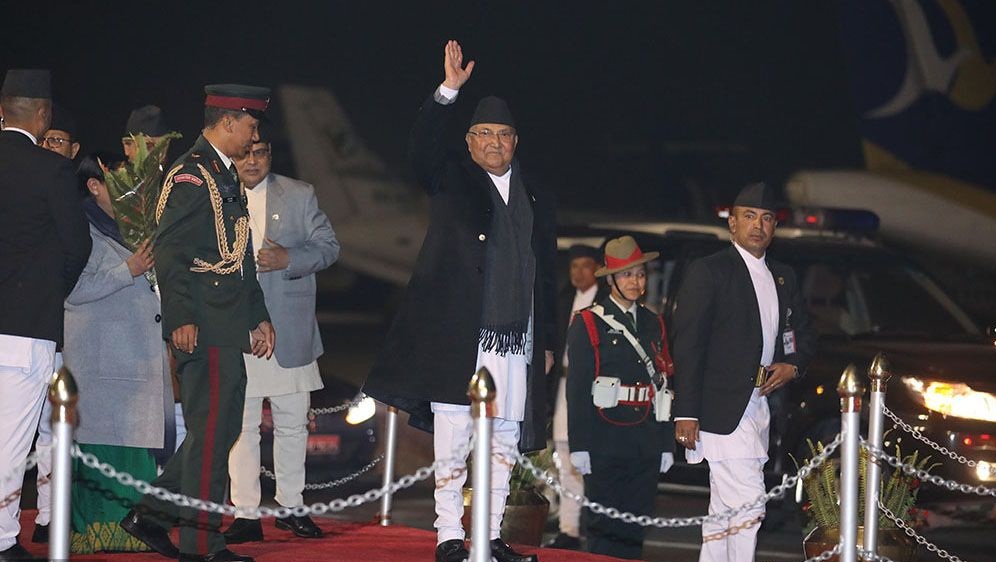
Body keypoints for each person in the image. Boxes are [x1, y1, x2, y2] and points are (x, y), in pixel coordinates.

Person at [363, 40, 557, 562]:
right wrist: (448, 90)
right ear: (469, 141)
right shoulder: (450, 177)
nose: (495, 143)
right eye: (484, 133)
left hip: (516, 340)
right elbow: (421, 147)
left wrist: (548, 343)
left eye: (503, 134)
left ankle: (489, 536)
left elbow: (546, 274)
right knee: (453, 440)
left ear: (516, 141)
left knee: (504, 441)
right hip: (460, 337)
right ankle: (449, 533)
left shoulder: (536, 195)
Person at [120, 84, 275, 562]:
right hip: (203, 326)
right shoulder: (192, 175)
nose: (254, 137)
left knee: (219, 432)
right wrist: (181, 318)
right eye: (250, 126)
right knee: (211, 436)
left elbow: (239, 257)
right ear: (227, 122)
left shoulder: (223, 174)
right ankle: (202, 544)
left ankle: (151, 513)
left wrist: (258, 315)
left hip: (226, 325)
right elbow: (170, 251)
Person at [671, 182, 815, 562]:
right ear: (732, 223)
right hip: (720, 407)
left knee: (725, 511)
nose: (758, 225)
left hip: (761, 404)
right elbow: (688, 345)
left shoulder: (783, 276)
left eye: (767, 218)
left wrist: (793, 365)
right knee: (750, 505)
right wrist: (686, 412)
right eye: (749, 216)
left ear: (775, 227)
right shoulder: (710, 271)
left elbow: (802, 334)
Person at [224, 126, 340, 543]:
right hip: (236, 330)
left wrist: (288, 258)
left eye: (260, 152)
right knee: (242, 428)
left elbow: (329, 247)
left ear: (271, 154)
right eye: (244, 153)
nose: (252, 161)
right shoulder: (215, 195)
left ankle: (291, 507)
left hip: (290, 330)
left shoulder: (299, 194)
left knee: (292, 425)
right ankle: (245, 514)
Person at [61, 152, 174, 554]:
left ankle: (136, 530)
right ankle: (93, 532)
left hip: (137, 358)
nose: (132, 190)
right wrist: (129, 269)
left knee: (135, 447)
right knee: (101, 448)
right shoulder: (79, 226)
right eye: (120, 181)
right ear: (94, 186)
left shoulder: (137, 227)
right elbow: (72, 291)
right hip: (99, 361)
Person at [0, 68, 91, 562]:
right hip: (26, 326)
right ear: (43, 115)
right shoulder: (50, 169)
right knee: (11, 444)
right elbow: (77, 246)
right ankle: (2, 540)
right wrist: (51, 292)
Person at [566, 235, 676, 559]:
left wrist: (665, 443)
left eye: (640, 274)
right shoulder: (588, 322)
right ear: (610, 279)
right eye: (626, 275)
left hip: (645, 440)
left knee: (635, 527)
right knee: (603, 527)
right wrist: (579, 445)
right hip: (605, 438)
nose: (635, 282)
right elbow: (577, 389)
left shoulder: (654, 322)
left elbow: (663, 384)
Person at [30, 100, 82, 546]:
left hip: (64, 333)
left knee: (52, 432)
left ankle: (50, 516)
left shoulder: (77, 197)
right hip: (28, 323)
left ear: (73, 149)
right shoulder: (25, 187)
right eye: (45, 140)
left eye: (58, 141)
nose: (49, 147)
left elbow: (77, 253)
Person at [544, 244, 606, 550]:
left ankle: (595, 528)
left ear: (597, 269)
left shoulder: (605, 302)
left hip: (593, 391)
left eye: (585, 266)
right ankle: (568, 529)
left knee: (592, 460)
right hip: (563, 389)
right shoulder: (564, 299)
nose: (579, 273)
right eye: (574, 267)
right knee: (566, 458)